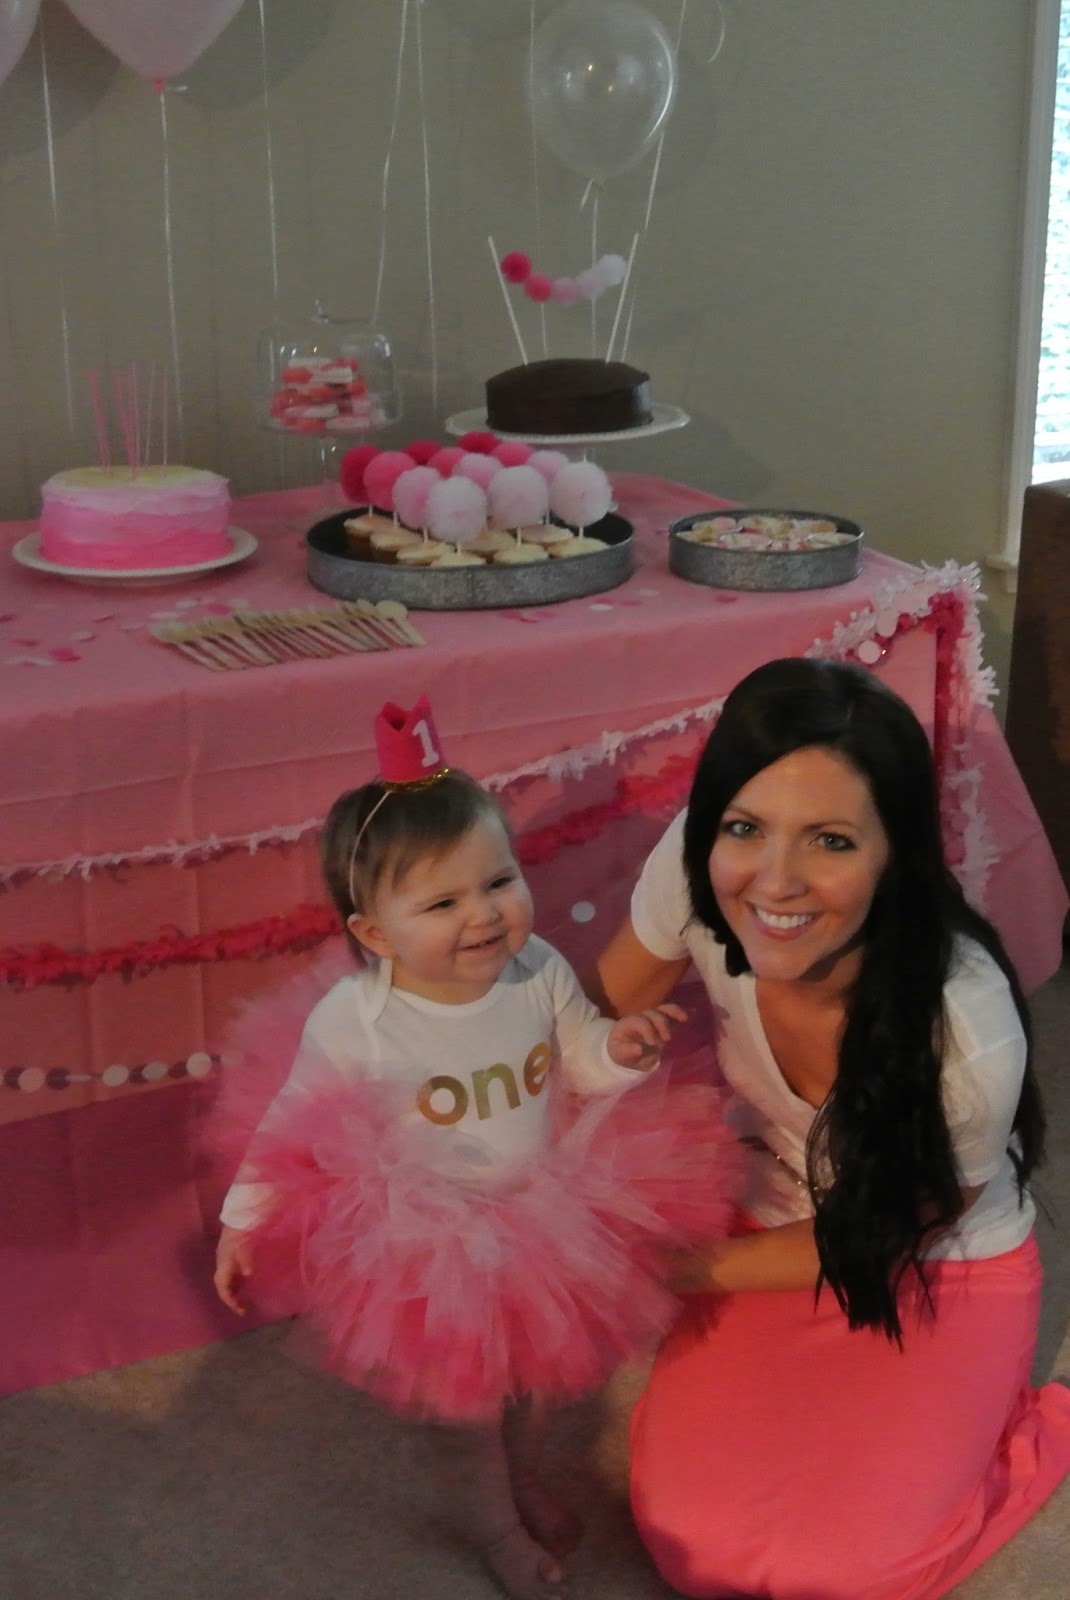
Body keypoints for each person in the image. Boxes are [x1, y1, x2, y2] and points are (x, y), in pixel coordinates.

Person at [213, 695, 738, 1600]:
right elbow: (289, 1125)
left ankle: (521, 1478)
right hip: (432, 1246)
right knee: (465, 1408)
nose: (485, 914)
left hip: (540, 1214)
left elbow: (577, 1057)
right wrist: (240, 1222)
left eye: (498, 882)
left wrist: (617, 1050)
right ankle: (494, 1526)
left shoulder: (537, 971)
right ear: (375, 933)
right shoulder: (360, 1019)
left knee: (536, 1379)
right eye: (443, 901)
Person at [593, 656, 1070, 1600]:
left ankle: (1016, 1430)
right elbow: (601, 1013)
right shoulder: (697, 867)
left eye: (831, 841)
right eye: (744, 828)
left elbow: (885, 1234)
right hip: (762, 1213)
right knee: (693, 1543)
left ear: (896, 853)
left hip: (932, 1263)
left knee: (848, 1572)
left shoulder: (968, 1033)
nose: (775, 881)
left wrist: (674, 1270)